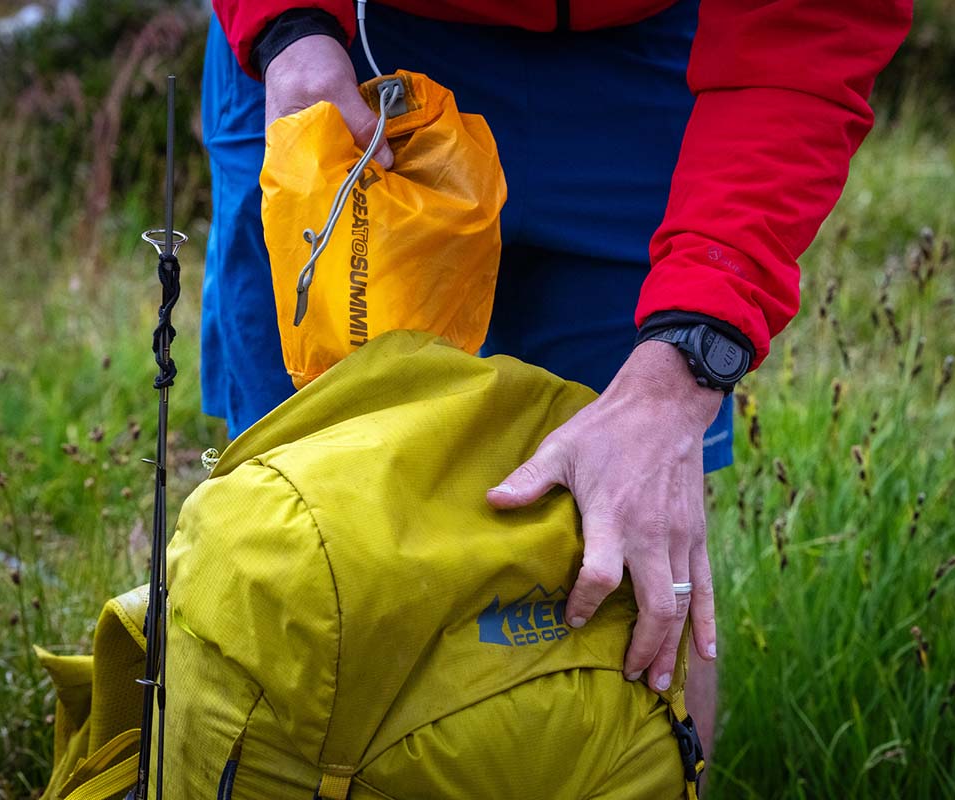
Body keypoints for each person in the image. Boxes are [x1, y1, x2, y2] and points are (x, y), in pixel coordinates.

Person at [202, 0, 911, 756]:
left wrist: (686, 362)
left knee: (629, 549)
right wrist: (289, 26)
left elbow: (810, 27)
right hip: (343, 49)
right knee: (308, 530)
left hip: (644, 62)